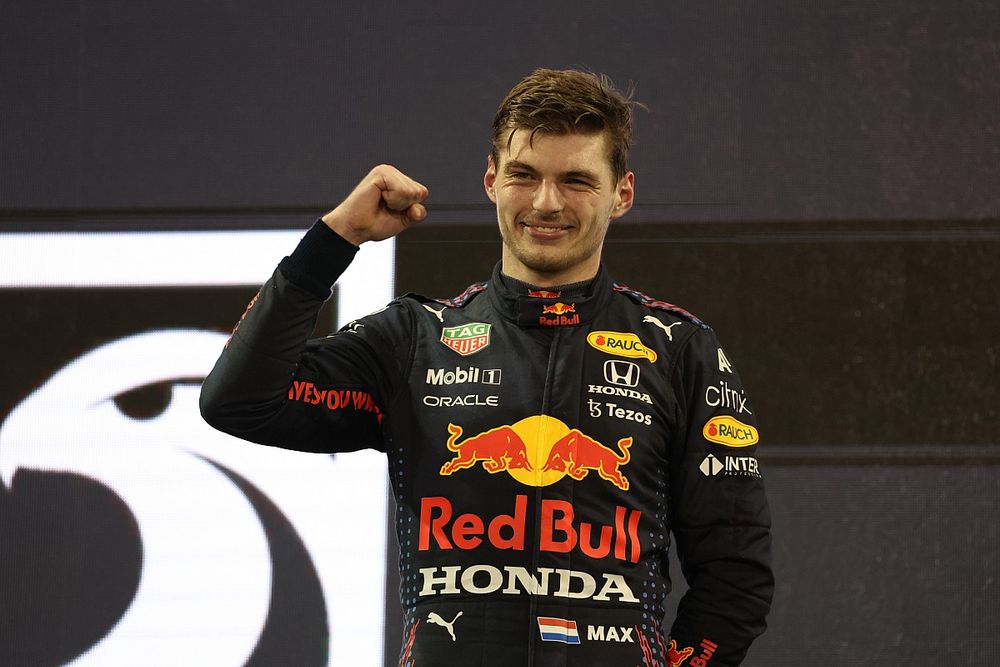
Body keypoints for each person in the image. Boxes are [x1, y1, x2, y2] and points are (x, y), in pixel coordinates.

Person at [200, 68, 773, 667]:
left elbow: (736, 581)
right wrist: (334, 240)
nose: (546, 202)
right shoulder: (414, 338)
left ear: (621, 194)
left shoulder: (679, 349)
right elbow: (238, 400)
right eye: (525, 176)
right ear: (492, 181)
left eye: (577, 180)